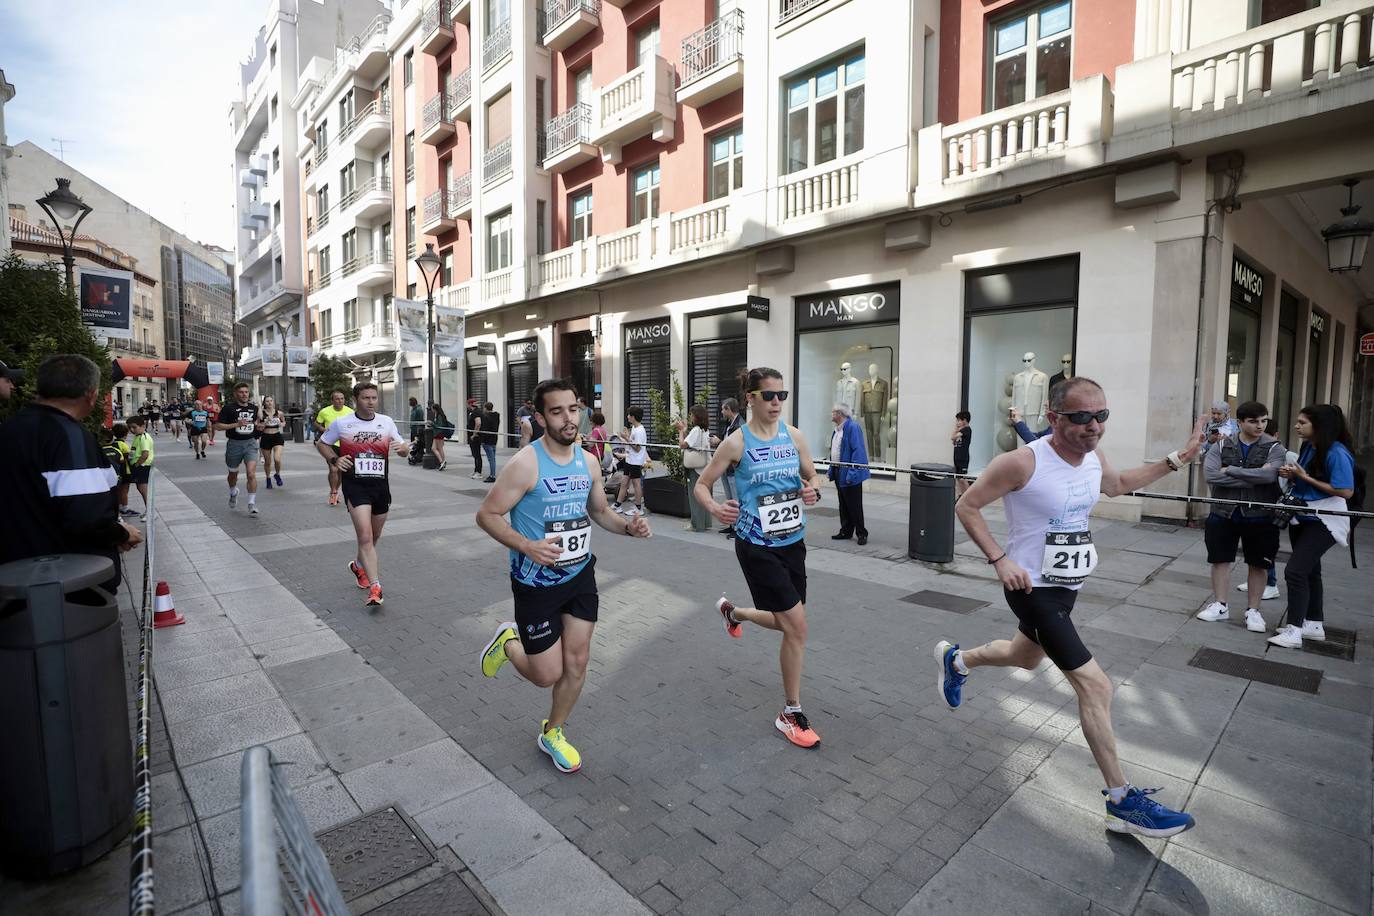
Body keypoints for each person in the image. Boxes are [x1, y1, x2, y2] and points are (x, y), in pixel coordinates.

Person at [938, 377, 1206, 837]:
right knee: (1096, 687)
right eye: (1081, 417)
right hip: (1030, 587)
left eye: (1101, 416)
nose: (1093, 427)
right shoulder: (1021, 462)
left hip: (1066, 586)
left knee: (1024, 656)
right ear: (1054, 416)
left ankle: (957, 660)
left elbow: (1118, 485)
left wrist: (1177, 458)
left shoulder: (1092, 459)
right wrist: (1000, 560)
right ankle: (1121, 801)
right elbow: (967, 505)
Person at [476, 378, 652, 773]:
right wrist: (526, 545)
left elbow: (601, 512)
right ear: (540, 417)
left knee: (578, 661)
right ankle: (509, 643)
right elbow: (486, 515)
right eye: (556, 411)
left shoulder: (588, 461)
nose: (568, 418)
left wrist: (629, 526)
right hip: (535, 584)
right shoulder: (525, 464)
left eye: (572, 409)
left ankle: (552, 731)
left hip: (579, 576)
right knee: (546, 674)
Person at [695, 367, 826, 748]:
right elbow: (702, 486)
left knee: (788, 622)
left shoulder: (794, 436)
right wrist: (716, 509)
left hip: (793, 541)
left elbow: (813, 476)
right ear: (750, 398)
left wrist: (812, 491)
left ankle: (735, 614)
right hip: (756, 544)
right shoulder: (736, 443)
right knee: (797, 627)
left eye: (781, 396)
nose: (776, 403)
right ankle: (791, 712)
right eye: (769, 396)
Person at [0, 354, 142, 592]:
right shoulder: (70, 437)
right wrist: (120, 533)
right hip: (69, 585)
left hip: (18, 575)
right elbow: (86, 517)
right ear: (91, 394)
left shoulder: (11, 429)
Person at [1269, 404, 1357, 649]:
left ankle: (1294, 630)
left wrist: (1305, 477)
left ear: (1319, 426)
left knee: (1295, 571)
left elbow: (1345, 490)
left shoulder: (1337, 452)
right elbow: (1307, 475)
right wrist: (1294, 474)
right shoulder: (1310, 446)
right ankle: (1313, 623)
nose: (1296, 426)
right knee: (1309, 571)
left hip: (1326, 518)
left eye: (1302, 422)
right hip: (1304, 515)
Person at [316, 382, 409, 607]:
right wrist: (335, 460)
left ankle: (359, 565)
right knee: (365, 537)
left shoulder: (385, 422)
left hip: (380, 487)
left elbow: (404, 449)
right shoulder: (342, 423)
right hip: (355, 486)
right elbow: (322, 443)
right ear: (355, 399)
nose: (370, 402)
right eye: (366, 398)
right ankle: (375, 587)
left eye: (374, 398)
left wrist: (403, 450)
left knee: (374, 536)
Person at [1195, 401, 1285, 633]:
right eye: (1254, 421)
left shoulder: (1275, 448)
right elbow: (1212, 475)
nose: (1260, 426)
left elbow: (1269, 477)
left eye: (1263, 421)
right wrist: (1254, 476)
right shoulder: (1223, 444)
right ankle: (1221, 605)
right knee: (1219, 559)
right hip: (1224, 511)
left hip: (1260, 514)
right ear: (1240, 422)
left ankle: (1253, 610)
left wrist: (1232, 470)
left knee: (1258, 563)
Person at [214, 382, 264, 516]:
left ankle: (251, 503)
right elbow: (218, 426)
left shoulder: (254, 408)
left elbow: (255, 427)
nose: (244, 394)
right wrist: (237, 424)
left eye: (246, 392)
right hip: (234, 444)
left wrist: (259, 429)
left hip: (250, 444)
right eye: (241, 392)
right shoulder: (228, 408)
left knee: (251, 473)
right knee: (232, 475)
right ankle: (233, 492)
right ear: (236, 394)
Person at [829, 403, 870, 544]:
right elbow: (834, 451)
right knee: (844, 504)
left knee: (854, 504)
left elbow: (858, 452)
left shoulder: (852, 427)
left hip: (848, 473)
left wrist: (852, 474)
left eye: (833, 411)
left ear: (840, 414)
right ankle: (846, 530)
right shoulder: (837, 430)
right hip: (839, 470)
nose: (831, 414)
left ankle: (861, 533)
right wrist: (831, 470)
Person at [711, 398, 745, 539]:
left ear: (729, 409)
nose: (721, 411)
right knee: (730, 498)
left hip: (734, 469)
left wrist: (719, 442)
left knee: (736, 498)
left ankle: (739, 528)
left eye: (723, 409)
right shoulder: (730, 423)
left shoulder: (739, 425)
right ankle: (732, 525)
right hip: (727, 467)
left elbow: (734, 446)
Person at [678, 405, 714, 532]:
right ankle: (705, 522)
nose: (691, 417)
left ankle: (696, 524)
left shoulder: (696, 430)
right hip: (706, 466)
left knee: (695, 495)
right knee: (706, 494)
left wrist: (681, 431)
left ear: (696, 416)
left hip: (695, 467)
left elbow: (683, 444)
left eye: (692, 415)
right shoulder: (705, 430)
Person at [315, 390, 354, 504]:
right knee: (333, 469)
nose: (340, 401)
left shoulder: (350, 412)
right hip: (330, 445)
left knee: (340, 471)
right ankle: (333, 492)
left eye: (342, 398)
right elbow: (317, 423)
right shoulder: (325, 411)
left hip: (345, 445)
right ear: (332, 401)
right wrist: (325, 430)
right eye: (337, 399)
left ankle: (336, 490)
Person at [613, 406, 647, 515]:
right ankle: (618, 505)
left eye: (629, 415)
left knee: (636, 484)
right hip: (629, 459)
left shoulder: (640, 431)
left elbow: (637, 448)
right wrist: (627, 437)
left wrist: (626, 438)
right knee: (624, 483)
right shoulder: (634, 428)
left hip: (635, 461)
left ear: (633, 417)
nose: (627, 417)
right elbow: (632, 443)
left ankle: (638, 508)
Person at [102, 423, 137, 518]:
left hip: (114, 472)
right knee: (125, 490)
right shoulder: (123, 445)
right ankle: (124, 508)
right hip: (125, 470)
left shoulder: (112, 444)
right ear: (125, 434)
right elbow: (129, 458)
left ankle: (118, 507)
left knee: (117, 490)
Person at [127, 416, 155, 521]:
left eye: (134, 427)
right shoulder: (138, 436)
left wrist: (137, 464)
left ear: (143, 426)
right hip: (138, 465)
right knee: (140, 488)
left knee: (144, 489)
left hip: (142, 466)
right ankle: (148, 510)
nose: (131, 430)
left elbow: (145, 454)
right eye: (129, 428)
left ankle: (151, 512)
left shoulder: (144, 437)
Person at [259, 395, 287, 489]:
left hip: (277, 437)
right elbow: (257, 425)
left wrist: (281, 424)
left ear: (273, 402)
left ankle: (277, 474)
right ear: (264, 403)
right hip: (266, 437)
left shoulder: (279, 413)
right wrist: (265, 422)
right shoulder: (261, 414)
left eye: (271, 401)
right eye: (267, 401)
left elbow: (284, 422)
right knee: (268, 462)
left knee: (277, 459)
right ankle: (268, 478)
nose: (269, 403)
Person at [951, 410, 972, 497]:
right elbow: (953, 440)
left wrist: (957, 430)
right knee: (959, 478)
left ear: (964, 420)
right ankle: (962, 495)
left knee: (963, 478)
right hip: (957, 457)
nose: (957, 422)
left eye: (959, 420)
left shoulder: (967, 430)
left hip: (963, 457)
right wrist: (957, 430)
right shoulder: (961, 431)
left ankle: (970, 496)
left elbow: (953, 437)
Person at [480, 401, 500, 482]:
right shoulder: (496, 416)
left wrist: (482, 440)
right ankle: (493, 474)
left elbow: (484, 429)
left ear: (485, 408)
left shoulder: (485, 417)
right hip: (494, 439)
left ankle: (492, 475)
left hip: (487, 441)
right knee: (493, 458)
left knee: (491, 459)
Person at [430, 403, 452, 470]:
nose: (431, 410)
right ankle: (442, 461)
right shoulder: (439, 415)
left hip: (438, 433)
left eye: (432, 409)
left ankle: (442, 461)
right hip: (439, 433)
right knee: (437, 448)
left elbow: (438, 425)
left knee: (436, 448)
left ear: (435, 409)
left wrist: (432, 424)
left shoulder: (439, 416)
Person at [466, 397, 485, 479]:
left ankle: (478, 472)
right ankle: (476, 471)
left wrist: (474, 434)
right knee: (475, 454)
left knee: (477, 454)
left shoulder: (476, 412)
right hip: (473, 436)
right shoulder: (473, 412)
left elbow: (478, 423)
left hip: (475, 437)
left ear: (470, 404)